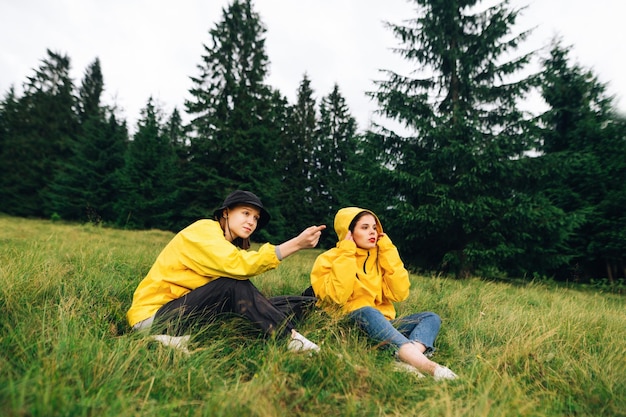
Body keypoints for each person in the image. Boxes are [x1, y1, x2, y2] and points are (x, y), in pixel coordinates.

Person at [127, 190, 325, 354]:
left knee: (281, 303)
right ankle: (293, 342)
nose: (251, 222)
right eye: (245, 213)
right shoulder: (204, 230)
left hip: (185, 313)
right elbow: (240, 266)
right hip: (154, 317)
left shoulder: (223, 245)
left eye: (255, 218)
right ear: (226, 213)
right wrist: (296, 244)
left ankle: (317, 312)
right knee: (234, 284)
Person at [309, 207, 458, 380]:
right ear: (348, 232)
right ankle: (430, 367)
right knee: (368, 311)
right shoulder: (328, 259)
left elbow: (400, 293)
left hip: (383, 325)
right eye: (364, 228)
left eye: (374, 227)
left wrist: (388, 251)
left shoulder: (380, 257)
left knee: (430, 318)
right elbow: (337, 296)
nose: (372, 232)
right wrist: (347, 252)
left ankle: (406, 358)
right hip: (349, 323)